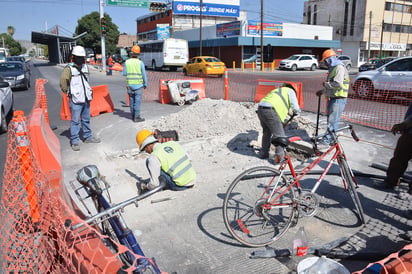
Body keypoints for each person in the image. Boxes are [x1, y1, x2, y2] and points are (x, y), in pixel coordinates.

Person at [60, 45, 101, 151]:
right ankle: (75, 141)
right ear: (73, 57)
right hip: (76, 99)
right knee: (75, 121)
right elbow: (63, 82)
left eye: (82, 57)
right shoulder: (69, 69)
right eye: (79, 57)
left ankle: (88, 137)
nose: (81, 59)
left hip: (86, 98)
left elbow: (87, 80)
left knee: (86, 119)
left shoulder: (85, 67)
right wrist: (69, 92)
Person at [135, 129, 196, 193]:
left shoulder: (154, 156)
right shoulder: (172, 143)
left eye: (145, 149)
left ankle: (163, 186)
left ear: (147, 146)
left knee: (148, 161)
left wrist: (147, 186)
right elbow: (189, 159)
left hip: (180, 185)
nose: (146, 152)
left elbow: (154, 185)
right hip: (192, 179)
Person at [256, 83, 301, 163]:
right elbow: (295, 107)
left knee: (267, 133)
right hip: (270, 110)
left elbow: (278, 104)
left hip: (261, 108)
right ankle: (279, 159)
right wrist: (297, 112)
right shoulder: (290, 91)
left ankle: (264, 153)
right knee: (280, 136)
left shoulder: (277, 90)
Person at [316, 49, 350, 145]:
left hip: (339, 99)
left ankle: (327, 140)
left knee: (332, 121)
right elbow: (331, 86)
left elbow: (337, 84)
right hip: (334, 98)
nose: (325, 64)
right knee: (332, 120)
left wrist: (326, 85)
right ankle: (332, 139)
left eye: (326, 61)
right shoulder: (333, 69)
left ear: (329, 60)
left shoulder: (339, 67)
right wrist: (322, 91)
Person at [383, 101, 412, 197]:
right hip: (409, 131)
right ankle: (391, 181)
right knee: (399, 156)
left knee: (400, 155)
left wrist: (404, 125)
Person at [122, 45, 148, 123]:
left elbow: (124, 73)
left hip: (130, 85)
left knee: (131, 101)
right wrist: (145, 83)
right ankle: (137, 117)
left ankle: (133, 115)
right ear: (138, 54)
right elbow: (144, 74)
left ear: (131, 53)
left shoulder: (127, 62)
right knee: (137, 101)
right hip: (138, 86)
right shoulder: (140, 63)